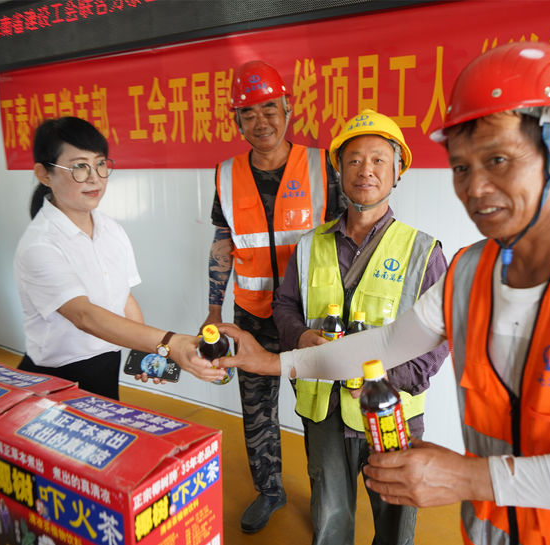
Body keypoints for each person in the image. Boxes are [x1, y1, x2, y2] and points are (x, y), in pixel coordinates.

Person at [204, 43, 550, 544]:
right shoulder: (470, 272)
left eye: (498, 159)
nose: (476, 188)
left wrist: (469, 478)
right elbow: (383, 346)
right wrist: (271, 362)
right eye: (461, 168)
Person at [272, 109, 448, 545]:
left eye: (378, 160)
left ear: (398, 171)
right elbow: (285, 306)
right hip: (325, 411)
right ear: (339, 170)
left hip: (390, 412)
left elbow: (437, 343)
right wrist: (301, 337)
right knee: (330, 520)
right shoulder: (309, 245)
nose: (365, 170)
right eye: (353, 160)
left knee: (394, 524)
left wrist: (386, 378)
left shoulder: (423, 251)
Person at [199, 60, 345, 533]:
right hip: (251, 316)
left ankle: (328, 499)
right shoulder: (226, 174)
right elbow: (223, 243)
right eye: (248, 113)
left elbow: (349, 237)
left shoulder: (324, 166)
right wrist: (213, 311)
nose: (260, 121)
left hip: (309, 318)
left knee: (320, 413)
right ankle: (269, 490)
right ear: (236, 120)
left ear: (288, 109)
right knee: (257, 411)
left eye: (269, 109)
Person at [14, 116, 206, 400]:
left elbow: (123, 297)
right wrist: (168, 343)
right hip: (55, 376)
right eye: (79, 166)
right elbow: (84, 316)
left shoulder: (110, 229)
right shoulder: (40, 245)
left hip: (106, 362)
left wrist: (147, 352)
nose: (95, 177)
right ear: (44, 175)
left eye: (100, 163)